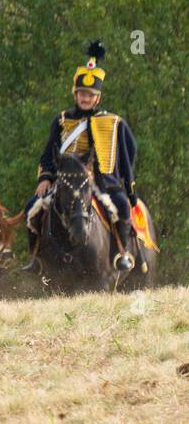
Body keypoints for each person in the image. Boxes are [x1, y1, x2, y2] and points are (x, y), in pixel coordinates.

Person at [26, 40, 139, 271]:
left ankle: (121, 254)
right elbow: (48, 153)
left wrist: (127, 186)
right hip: (65, 179)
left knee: (121, 207)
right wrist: (45, 178)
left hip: (100, 182)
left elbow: (129, 152)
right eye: (81, 94)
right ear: (75, 93)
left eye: (90, 95)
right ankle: (36, 258)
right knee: (32, 207)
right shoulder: (61, 120)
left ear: (97, 97)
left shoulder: (113, 123)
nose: (85, 98)